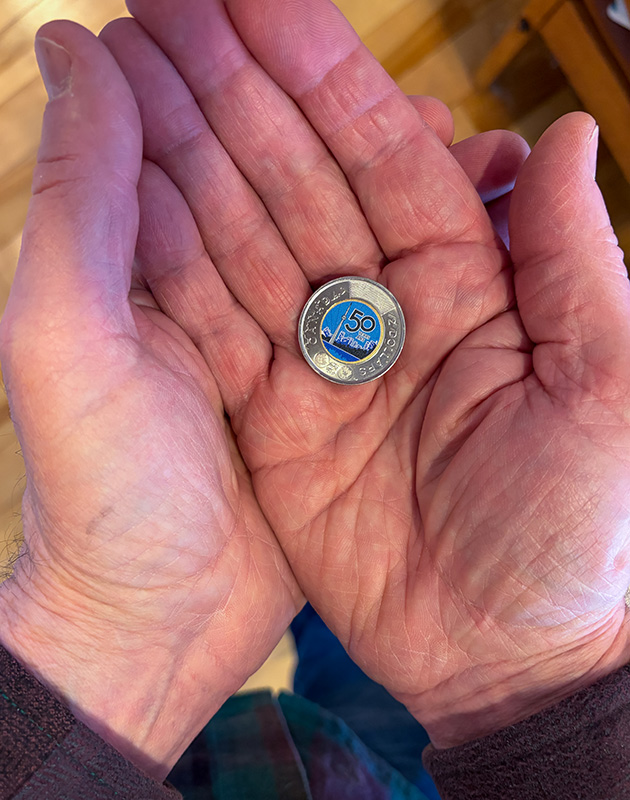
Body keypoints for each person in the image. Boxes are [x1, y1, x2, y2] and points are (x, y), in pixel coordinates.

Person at [1, 0, 630, 797]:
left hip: (281, 744)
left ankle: (308, 589)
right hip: (376, 751)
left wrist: (108, 646)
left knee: (344, 654)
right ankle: (311, 590)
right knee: (349, 664)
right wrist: (537, 693)